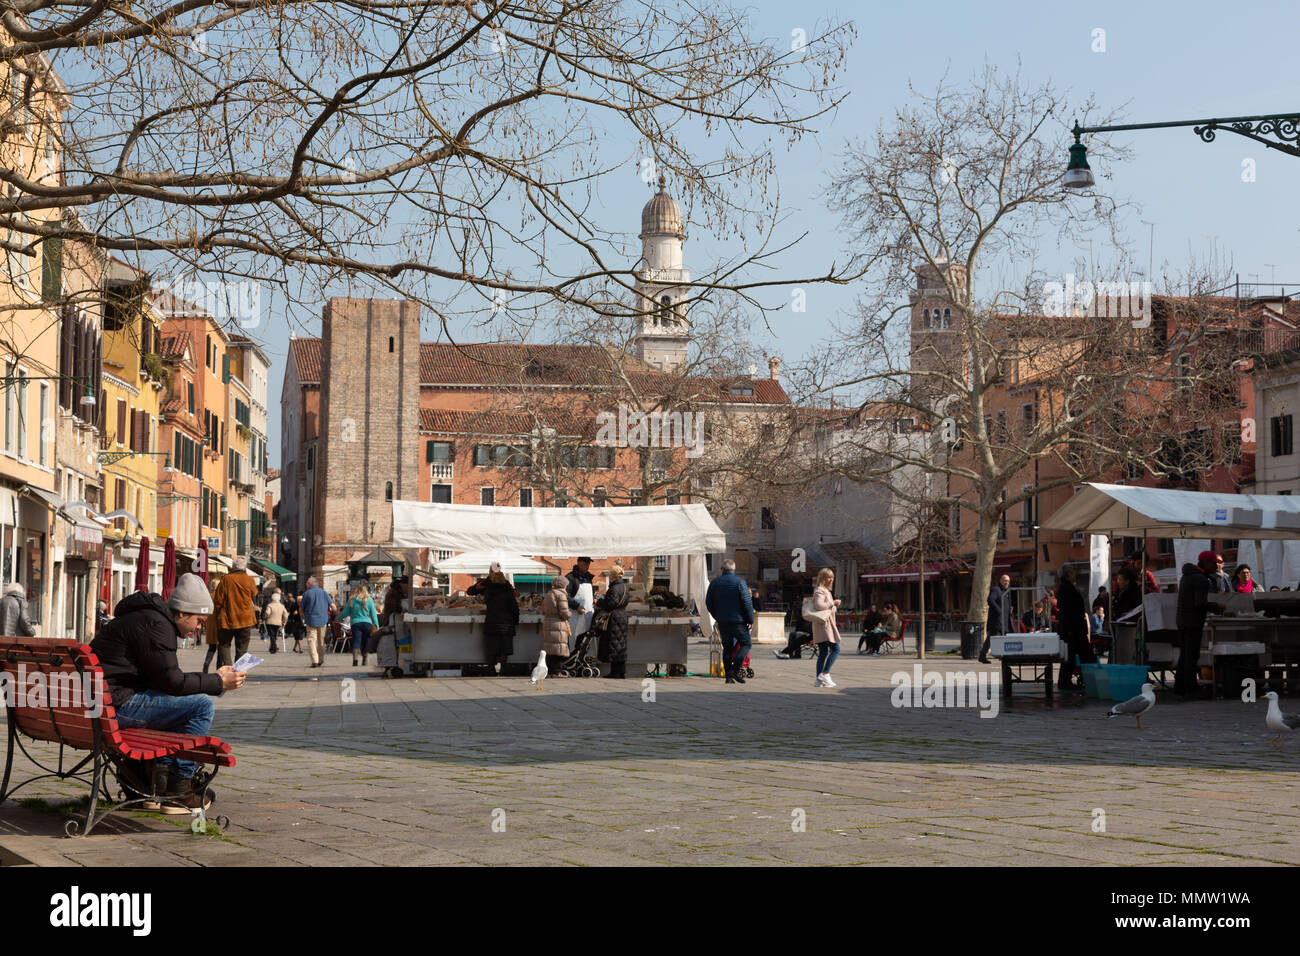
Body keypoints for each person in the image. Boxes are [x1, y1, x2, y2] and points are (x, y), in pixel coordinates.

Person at [89, 573, 245, 812]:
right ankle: (180, 787)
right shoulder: (157, 625)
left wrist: (214, 678)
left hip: (97, 704)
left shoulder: (145, 618)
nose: (200, 626)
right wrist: (217, 682)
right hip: (114, 706)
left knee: (175, 704)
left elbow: (165, 680)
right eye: (199, 620)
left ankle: (154, 780)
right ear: (181, 613)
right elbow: (173, 682)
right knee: (201, 706)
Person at [705, 559, 753, 684]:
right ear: (734, 570)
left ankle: (728, 677)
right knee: (746, 643)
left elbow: (708, 603)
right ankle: (735, 670)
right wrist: (750, 619)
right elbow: (747, 603)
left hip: (723, 622)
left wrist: (717, 616)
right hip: (738, 621)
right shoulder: (740, 582)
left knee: (727, 648)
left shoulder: (715, 583)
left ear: (722, 569)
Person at [1175, 551, 1214, 699]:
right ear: (1206, 563)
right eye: (1212, 562)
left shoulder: (1187, 576)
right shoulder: (1201, 580)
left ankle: (1180, 688)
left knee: (1184, 655)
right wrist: (1217, 606)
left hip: (1182, 621)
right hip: (1193, 622)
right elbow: (1200, 603)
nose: (1215, 565)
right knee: (1191, 656)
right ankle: (1191, 689)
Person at [469, 563, 519, 675]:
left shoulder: (487, 585)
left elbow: (470, 591)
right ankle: (503, 671)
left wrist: (476, 588)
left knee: (492, 648)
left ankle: (491, 670)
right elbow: (515, 608)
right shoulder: (508, 588)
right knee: (505, 650)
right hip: (507, 623)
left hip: (492, 621)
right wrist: (515, 621)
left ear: (490, 572)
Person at [212, 556, 259, 668]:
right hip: (245, 619)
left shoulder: (226, 579)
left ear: (233, 566)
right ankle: (238, 671)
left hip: (227, 618)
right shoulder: (249, 580)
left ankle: (228, 668)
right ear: (245, 567)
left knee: (224, 645)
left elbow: (218, 600)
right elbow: (254, 593)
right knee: (242, 648)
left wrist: (217, 615)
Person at [1055, 564, 1093, 692]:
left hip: (1073, 628)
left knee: (1072, 656)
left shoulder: (1066, 587)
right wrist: (1072, 629)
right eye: (1073, 572)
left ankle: (1067, 681)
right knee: (1072, 656)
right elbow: (1069, 610)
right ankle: (1067, 682)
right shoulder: (1066, 588)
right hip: (1072, 629)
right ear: (1068, 573)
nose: (1075, 574)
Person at [595, 564, 631, 678]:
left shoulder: (614, 588)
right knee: (621, 645)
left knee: (613, 644)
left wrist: (599, 602)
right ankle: (621, 671)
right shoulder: (625, 587)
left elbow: (610, 604)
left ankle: (615, 672)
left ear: (612, 576)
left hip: (614, 618)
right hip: (623, 616)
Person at [808, 567, 842, 687]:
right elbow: (819, 605)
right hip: (825, 625)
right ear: (822, 578)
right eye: (829, 577)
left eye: (832, 577)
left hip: (822, 625)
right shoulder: (820, 590)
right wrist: (833, 603)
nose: (831, 580)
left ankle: (818, 680)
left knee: (823, 652)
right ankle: (825, 673)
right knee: (836, 649)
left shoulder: (824, 590)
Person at [338, 584, 379, 667]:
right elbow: (373, 614)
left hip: (355, 623)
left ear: (356, 591)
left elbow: (346, 612)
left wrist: (339, 618)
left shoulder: (352, 600)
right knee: (365, 642)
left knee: (356, 641)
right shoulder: (369, 600)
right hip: (367, 623)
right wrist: (377, 624)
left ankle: (355, 660)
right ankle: (364, 660)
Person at [300, 576, 336, 668]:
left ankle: (315, 660)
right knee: (321, 641)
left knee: (311, 640)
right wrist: (333, 614)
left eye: (307, 583)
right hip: (323, 620)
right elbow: (333, 606)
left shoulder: (307, 594)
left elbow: (301, 608)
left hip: (310, 620)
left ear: (310, 584)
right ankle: (321, 659)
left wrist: (302, 616)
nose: (306, 585)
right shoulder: (324, 593)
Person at [542, 574, 573, 676]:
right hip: (558, 624)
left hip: (548, 623)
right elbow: (564, 612)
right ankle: (556, 672)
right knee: (559, 649)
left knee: (550, 649)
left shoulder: (548, 593)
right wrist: (570, 614)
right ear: (563, 585)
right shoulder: (561, 595)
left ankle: (550, 671)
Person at [980, 574, 1014, 664]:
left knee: (1002, 637)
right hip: (997, 620)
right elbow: (990, 600)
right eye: (1005, 580)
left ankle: (1000, 655)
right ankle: (983, 656)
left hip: (1005, 620)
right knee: (992, 637)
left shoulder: (1007, 591)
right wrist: (999, 611)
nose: (1006, 582)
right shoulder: (996, 590)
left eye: (1008, 581)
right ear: (1000, 581)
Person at [263, 589, 287, 653]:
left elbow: (267, 613)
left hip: (270, 622)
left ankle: (274, 648)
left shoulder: (270, 605)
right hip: (278, 622)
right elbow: (286, 615)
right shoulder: (282, 606)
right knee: (275, 635)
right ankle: (273, 648)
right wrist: (284, 622)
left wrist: (265, 617)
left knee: (272, 635)